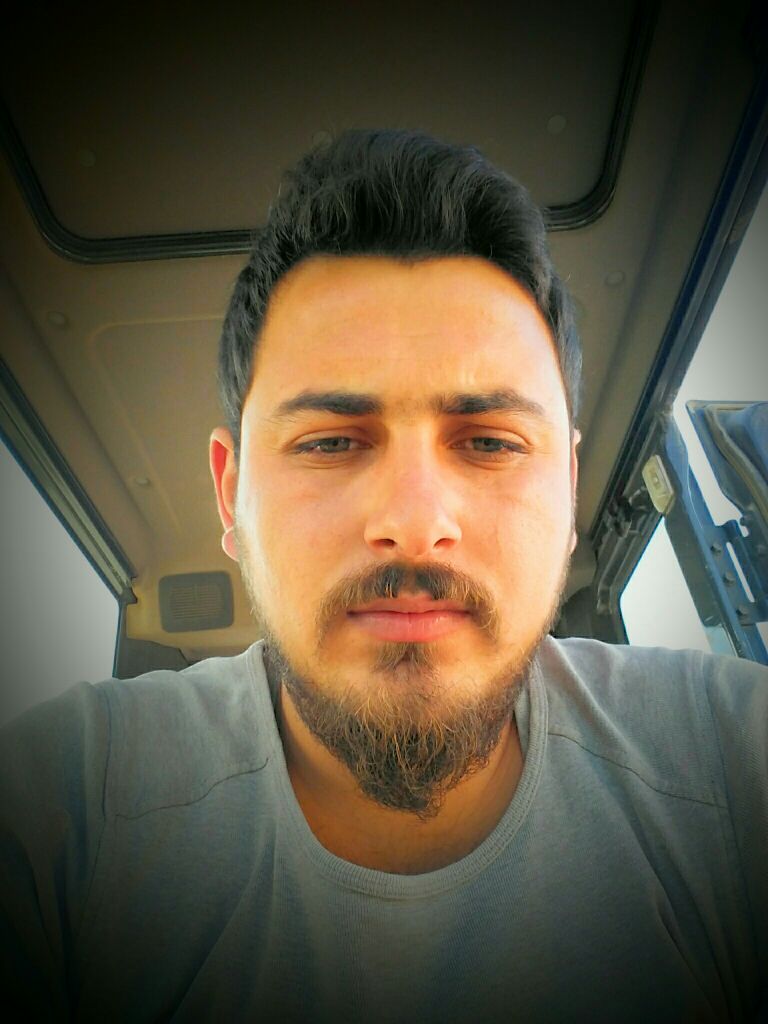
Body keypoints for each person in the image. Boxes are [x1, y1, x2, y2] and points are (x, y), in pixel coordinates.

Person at [1, 129, 766, 1023]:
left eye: (490, 442)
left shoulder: (730, 765)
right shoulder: (60, 809)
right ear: (230, 495)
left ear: (567, 492)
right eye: (330, 442)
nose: (412, 522)